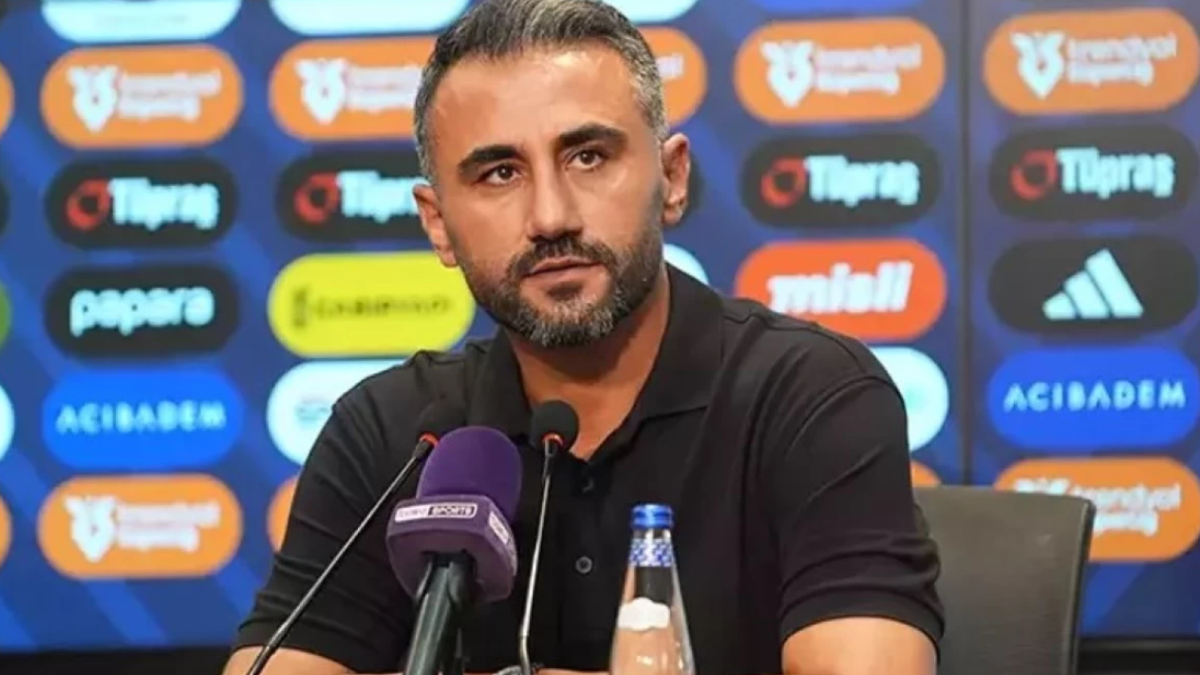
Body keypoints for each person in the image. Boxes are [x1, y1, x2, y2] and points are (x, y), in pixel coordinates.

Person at [224, 0, 944, 673]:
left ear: (672, 178)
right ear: (438, 224)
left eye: (588, 157)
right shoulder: (395, 434)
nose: (550, 216)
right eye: (499, 173)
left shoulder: (811, 396)